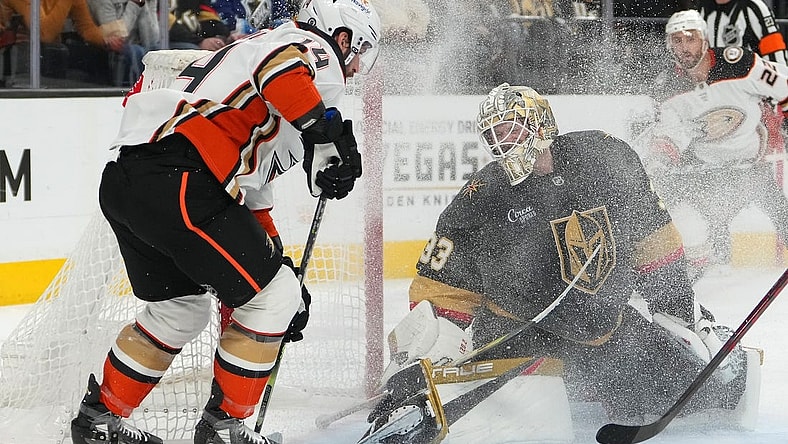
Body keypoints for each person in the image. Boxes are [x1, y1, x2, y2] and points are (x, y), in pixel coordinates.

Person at [361, 83, 757, 443]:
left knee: (699, 390)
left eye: (510, 129)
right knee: (537, 429)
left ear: (540, 122)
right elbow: (441, 288)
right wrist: (424, 363)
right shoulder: (482, 198)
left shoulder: (605, 158)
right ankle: (557, 386)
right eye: (494, 136)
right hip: (519, 334)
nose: (503, 144)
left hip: (602, 325)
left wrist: (680, 312)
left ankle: (590, 382)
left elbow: (654, 242)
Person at [69, 0, 381, 443]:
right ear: (343, 36)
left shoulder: (246, 62)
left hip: (130, 182)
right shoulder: (312, 47)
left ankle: (98, 420)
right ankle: (225, 429)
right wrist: (323, 128)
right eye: (359, 52)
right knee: (275, 298)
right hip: (182, 178)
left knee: (178, 310)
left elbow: (251, 200)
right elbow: (282, 70)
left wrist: (277, 262)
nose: (353, 70)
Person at [643, 9, 788, 268]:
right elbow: (669, 135)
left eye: (690, 39)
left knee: (784, 217)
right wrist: (659, 162)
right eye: (677, 40)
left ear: (704, 39)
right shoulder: (666, 86)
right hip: (705, 172)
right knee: (669, 216)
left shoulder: (739, 63)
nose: (684, 47)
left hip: (751, 167)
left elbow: (784, 85)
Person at [2, 0, 124, 81]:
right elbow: (45, 33)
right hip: (14, 55)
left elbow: (86, 28)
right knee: (56, 51)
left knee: (98, 58)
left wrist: (106, 41)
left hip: (46, 53)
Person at [86, 0, 160, 86]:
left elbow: (152, 40)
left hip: (140, 47)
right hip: (107, 52)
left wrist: (143, 6)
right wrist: (135, 5)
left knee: (175, 51)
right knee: (137, 52)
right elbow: (118, 37)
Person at [699, 0, 788, 65]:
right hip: (716, 85)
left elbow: (775, 54)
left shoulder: (753, 7)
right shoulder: (702, 8)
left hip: (751, 84)